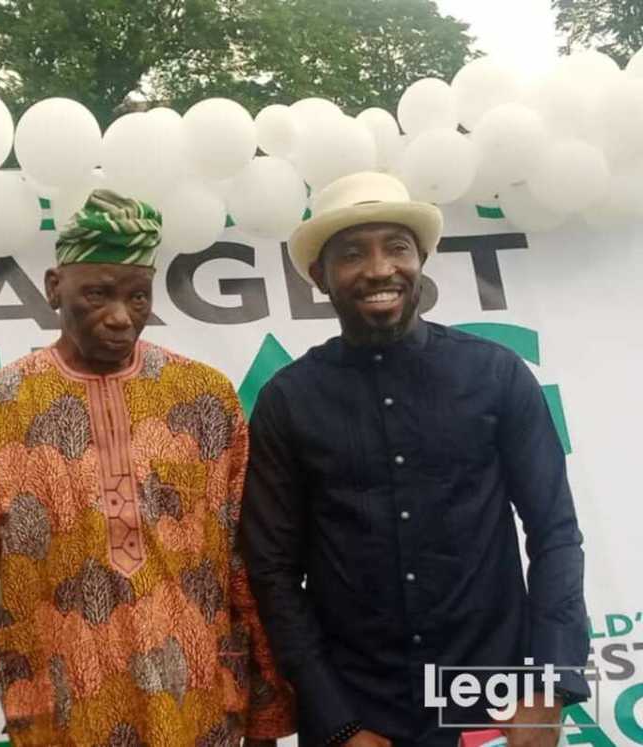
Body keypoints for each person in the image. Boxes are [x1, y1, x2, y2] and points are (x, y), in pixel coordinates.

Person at [0, 190, 296, 747]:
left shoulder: (205, 398)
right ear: (55, 288)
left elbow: (245, 562)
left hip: (192, 700)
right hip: (63, 702)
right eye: (97, 293)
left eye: (138, 296)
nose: (120, 317)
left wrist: (266, 713)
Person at [240, 172, 589, 747]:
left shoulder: (496, 375)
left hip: (487, 698)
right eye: (352, 254)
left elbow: (554, 533)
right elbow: (273, 572)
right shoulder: (287, 401)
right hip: (360, 706)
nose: (380, 269)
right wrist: (337, 723)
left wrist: (549, 686)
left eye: (396, 248)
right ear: (319, 277)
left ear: (421, 260)